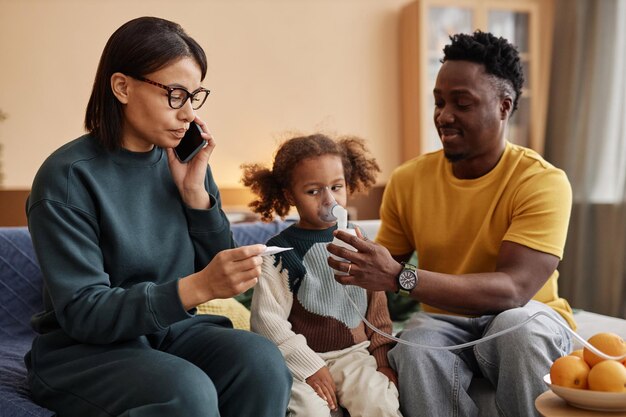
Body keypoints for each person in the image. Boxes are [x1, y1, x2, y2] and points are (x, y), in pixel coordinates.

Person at [25, 17, 291, 417]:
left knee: (263, 363)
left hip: (171, 332)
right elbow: (84, 313)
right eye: (175, 94)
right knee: (187, 392)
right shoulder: (67, 178)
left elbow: (217, 275)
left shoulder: (184, 163)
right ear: (122, 87)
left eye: (194, 96)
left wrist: (196, 197)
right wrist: (193, 288)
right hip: (84, 351)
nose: (186, 113)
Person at [327, 31, 575, 417]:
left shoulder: (541, 180)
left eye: (462, 103)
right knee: (415, 343)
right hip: (444, 321)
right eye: (439, 102)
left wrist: (400, 277)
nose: (444, 115)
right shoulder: (409, 179)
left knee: (519, 331)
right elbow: (378, 270)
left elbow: (513, 290)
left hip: (526, 317)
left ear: (504, 106)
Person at [241, 133, 402, 417]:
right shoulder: (280, 253)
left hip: (354, 356)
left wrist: (382, 362)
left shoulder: (362, 244)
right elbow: (267, 320)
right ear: (290, 195)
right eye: (313, 191)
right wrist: (309, 366)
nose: (329, 200)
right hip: (301, 360)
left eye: (337, 187)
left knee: (379, 403)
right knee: (310, 412)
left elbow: (377, 313)